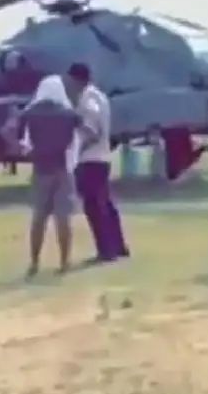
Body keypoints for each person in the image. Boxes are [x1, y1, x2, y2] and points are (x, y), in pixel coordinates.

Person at [17, 75, 82, 276]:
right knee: (63, 218)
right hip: (63, 169)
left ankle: (34, 262)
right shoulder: (70, 115)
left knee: (38, 218)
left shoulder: (29, 114)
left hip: (41, 169)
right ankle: (65, 262)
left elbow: (25, 145)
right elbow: (75, 143)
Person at [65, 63, 130, 264]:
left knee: (94, 206)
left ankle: (106, 250)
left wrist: (77, 149)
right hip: (102, 157)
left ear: (76, 79)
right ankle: (118, 246)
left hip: (91, 159)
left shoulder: (87, 100)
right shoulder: (100, 96)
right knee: (106, 204)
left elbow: (92, 131)